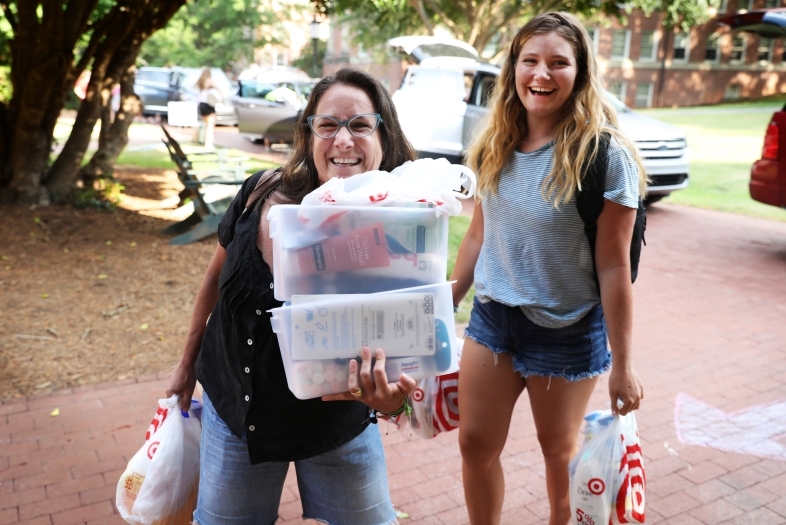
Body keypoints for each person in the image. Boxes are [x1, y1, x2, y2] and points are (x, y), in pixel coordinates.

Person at [166, 67, 418, 525]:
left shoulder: (403, 235)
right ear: (310, 132)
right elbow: (214, 283)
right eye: (328, 125)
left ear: (384, 136)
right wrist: (185, 367)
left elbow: (411, 357)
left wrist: (393, 401)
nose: (343, 140)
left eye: (360, 125)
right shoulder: (261, 192)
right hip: (236, 417)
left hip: (335, 428)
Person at [450, 12, 647, 525]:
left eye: (559, 63)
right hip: (494, 316)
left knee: (559, 458)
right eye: (530, 60)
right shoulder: (495, 140)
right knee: (474, 443)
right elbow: (479, 232)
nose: (542, 74)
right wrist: (446, 298)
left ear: (580, 73)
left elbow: (613, 266)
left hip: (566, 327)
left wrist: (623, 365)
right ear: (513, 68)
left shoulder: (603, 155)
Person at [195, 67, 220, 150]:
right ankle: (208, 144)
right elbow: (219, 88)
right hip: (208, 104)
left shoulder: (200, 81)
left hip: (201, 104)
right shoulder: (209, 81)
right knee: (210, 125)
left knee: (207, 125)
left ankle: (206, 142)